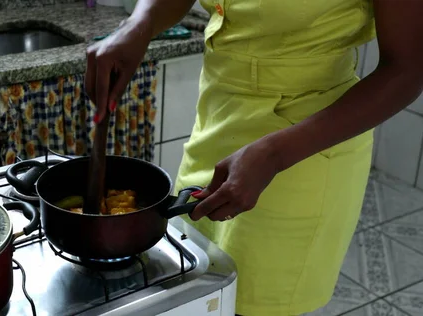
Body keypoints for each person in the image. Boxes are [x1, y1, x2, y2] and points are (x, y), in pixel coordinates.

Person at [85, 0, 423, 314]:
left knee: (254, 303)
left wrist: (275, 154)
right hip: (219, 119)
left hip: (306, 145)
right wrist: (138, 24)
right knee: (198, 292)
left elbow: (408, 69)